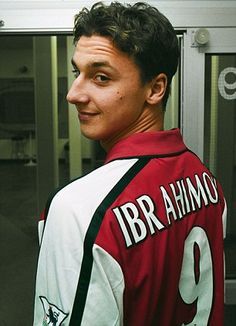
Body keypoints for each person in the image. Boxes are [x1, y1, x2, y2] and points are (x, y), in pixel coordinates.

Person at [33, 2, 227, 325]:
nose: (73, 93)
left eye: (100, 77)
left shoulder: (77, 211)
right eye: (76, 73)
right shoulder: (207, 183)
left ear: (155, 88)